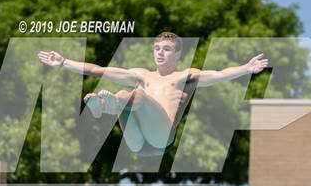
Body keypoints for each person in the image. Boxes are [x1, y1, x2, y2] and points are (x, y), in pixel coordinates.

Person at [37, 32, 268, 156]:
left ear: (177, 54)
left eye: (166, 49)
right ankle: (108, 107)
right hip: (136, 144)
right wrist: (64, 62)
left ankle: (106, 108)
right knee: (127, 94)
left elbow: (219, 74)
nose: (160, 53)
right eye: (157, 48)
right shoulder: (141, 74)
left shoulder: (184, 76)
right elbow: (97, 70)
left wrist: (246, 69)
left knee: (135, 95)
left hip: (162, 137)